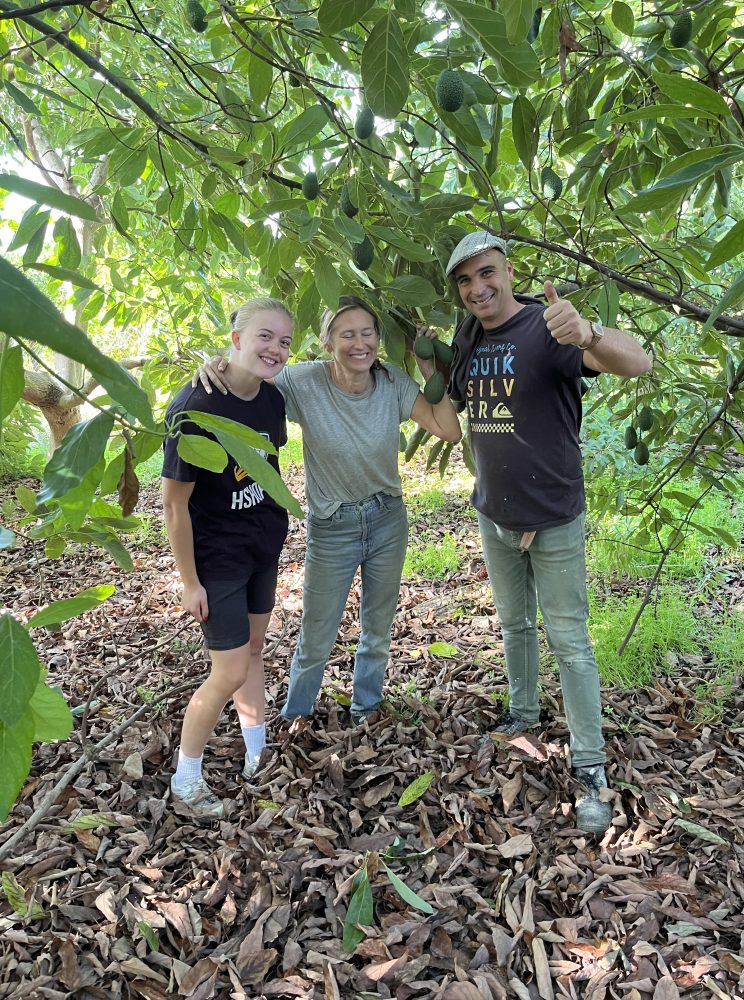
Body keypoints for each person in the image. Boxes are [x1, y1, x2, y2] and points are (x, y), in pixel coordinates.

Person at [444, 231, 652, 834]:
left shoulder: (547, 327)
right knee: (513, 625)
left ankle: (590, 768)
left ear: (509, 271)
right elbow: (452, 412)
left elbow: (636, 363)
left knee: (571, 642)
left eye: (486, 273)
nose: (478, 288)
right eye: (465, 280)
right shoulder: (470, 340)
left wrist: (589, 333)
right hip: (494, 513)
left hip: (554, 514)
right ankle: (523, 712)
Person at [196, 295, 461, 728]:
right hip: (333, 525)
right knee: (318, 632)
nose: (360, 343)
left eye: (368, 332)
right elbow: (248, 373)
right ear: (326, 343)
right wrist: (216, 363)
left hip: (387, 519)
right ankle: (296, 713)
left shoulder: (393, 382)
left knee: (378, 625)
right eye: (347, 334)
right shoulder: (304, 383)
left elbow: (449, 430)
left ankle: (365, 709)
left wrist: (431, 374)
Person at [162, 297, 294, 819]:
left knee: (255, 649)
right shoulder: (194, 406)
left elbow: (267, 465)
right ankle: (186, 778)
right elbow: (174, 504)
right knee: (229, 670)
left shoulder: (271, 400)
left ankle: (257, 751)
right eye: (265, 336)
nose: (275, 348)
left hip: (263, 543)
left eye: (284, 341)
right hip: (217, 557)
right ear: (236, 338)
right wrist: (188, 581)